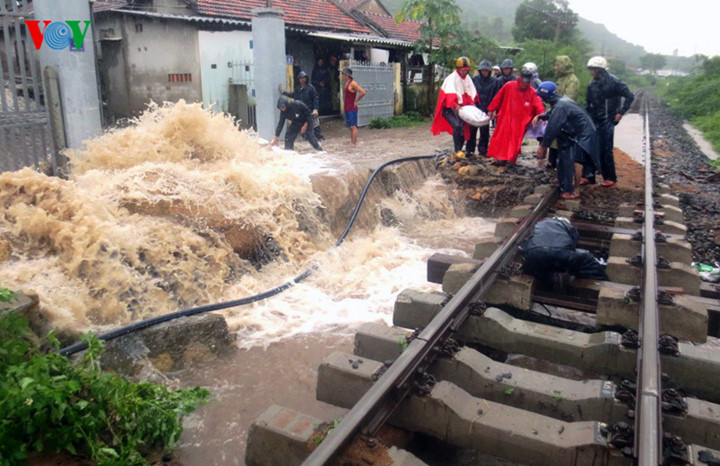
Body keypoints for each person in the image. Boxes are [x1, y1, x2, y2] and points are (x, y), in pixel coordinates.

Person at [535, 81, 600, 200]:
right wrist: (541, 116)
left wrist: (543, 145)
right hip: (575, 133)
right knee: (563, 157)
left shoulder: (560, 106)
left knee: (575, 161)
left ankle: (574, 190)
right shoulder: (561, 102)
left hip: (583, 135)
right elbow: (552, 114)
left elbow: (552, 127)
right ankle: (563, 182)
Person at [585, 56, 635, 187]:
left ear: (598, 69)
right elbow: (588, 102)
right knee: (590, 146)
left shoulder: (615, 82)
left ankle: (610, 177)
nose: (590, 72)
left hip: (608, 119)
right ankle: (589, 175)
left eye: (592, 69)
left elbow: (630, 96)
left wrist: (620, 112)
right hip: (594, 119)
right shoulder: (592, 84)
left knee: (606, 148)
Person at [520, 217, 608, 289]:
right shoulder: (566, 225)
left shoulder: (539, 224)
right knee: (585, 257)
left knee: (538, 265)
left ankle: (549, 284)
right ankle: (603, 284)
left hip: (534, 253)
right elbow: (574, 241)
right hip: (559, 252)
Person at [485, 65, 545, 167]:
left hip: (520, 122)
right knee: (500, 138)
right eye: (522, 83)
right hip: (505, 117)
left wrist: (542, 115)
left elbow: (538, 104)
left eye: (526, 83)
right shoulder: (509, 86)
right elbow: (498, 98)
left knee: (514, 142)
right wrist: (491, 109)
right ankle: (498, 158)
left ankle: (510, 160)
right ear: (520, 79)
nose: (524, 85)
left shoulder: (531, 92)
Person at [430, 56, 479, 157]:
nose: (464, 72)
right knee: (457, 125)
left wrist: (472, 105)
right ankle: (457, 150)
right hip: (448, 108)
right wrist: (455, 107)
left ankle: (462, 150)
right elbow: (450, 98)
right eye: (462, 70)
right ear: (458, 69)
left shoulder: (467, 78)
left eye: (466, 70)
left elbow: (470, 93)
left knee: (465, 127)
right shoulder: (451, 78)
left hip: (461, 108)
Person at [547, 55, 581, 169]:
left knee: (562, 141)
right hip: (557, 112)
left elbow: (568, 100)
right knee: (553, 138)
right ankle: (552, 162)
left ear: (563, 66)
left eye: (557, 65)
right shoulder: (560, 79)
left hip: (566, 115)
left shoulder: (573, 81)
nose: (555, 68)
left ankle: (561, 166)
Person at [280, 71, 323, 140]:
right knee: (303, 126)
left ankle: (318, 138)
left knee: (315, 126)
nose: (302, 80)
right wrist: (283, 92)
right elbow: (292, 95)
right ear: (299, 79)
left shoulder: (310, 88)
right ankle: (306, 138)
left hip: (310, 110)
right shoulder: (298, 89)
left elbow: (315, 98)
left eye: (304, 78)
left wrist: (315, 109)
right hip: (301, 111)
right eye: (301, 78)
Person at [470, 59, 499, 156]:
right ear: (480, 71)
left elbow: (496, 97)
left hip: (487, 109)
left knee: (484, 131)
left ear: (489, 71)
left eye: (486, 70)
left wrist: (493, 109)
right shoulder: (474, 80)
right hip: (475, 108)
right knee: (472, 130)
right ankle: (470, 149)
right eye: (483, 70)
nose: (484, 72)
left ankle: (483, 150)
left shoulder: (494, 82)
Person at [341, 67, 366, 146]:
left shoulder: (353, 83)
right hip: (347, 107)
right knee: (350, 127)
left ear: (347, 75)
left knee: (353, 127)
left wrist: (356, 101)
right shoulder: (347, 83)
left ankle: (354, 144)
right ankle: (352, 142)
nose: (342, 76)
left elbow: (363, 92)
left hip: (351, 107)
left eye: (343, 74)